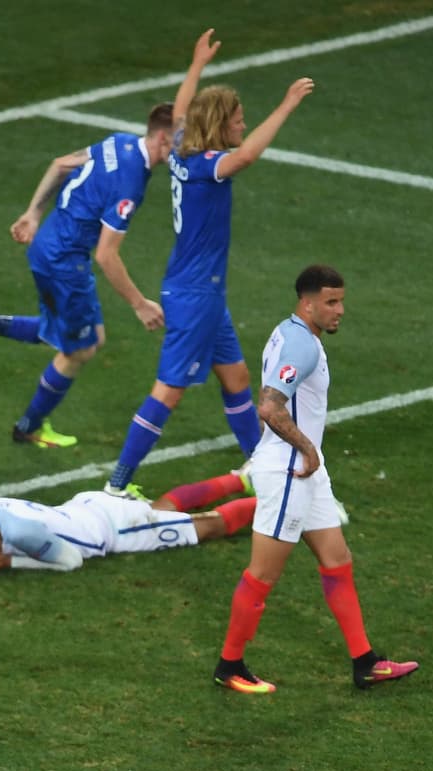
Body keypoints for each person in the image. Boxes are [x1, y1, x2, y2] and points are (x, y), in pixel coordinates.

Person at [104, 29, 315, 497]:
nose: (243, 124)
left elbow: (181, 108)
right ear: (220, 126)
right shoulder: (207, 165)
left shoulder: (182, 145)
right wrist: (286, 105)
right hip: (195, 295)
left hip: (202, 290)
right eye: (238, 119)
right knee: (168, 390)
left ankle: (260, 467)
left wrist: (197, 64)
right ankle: (117, 484)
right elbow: (248, 155)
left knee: (237, 378)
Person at [213, 265, 418, 694]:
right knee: (262, 574)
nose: (339, 310)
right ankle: (229, 666)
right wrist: (307, 449)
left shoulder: (290, 332)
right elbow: (269, 407)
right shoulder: (301, 346)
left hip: (307, 471)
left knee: (337, 559)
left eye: (341, 301)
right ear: (307, 304)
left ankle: (365, 663)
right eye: (331, 302)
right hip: (290, 471)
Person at [0, 102, 175, 449]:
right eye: (180, 141)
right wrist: (139, 304)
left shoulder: (119, 142)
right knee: (79, 351)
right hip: (64, 263)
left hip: (52, 247)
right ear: (162, 138)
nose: (185, 150)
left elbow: (61, 164)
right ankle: (29, 427)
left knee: (91, 337)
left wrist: (33, 213)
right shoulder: (131, 182)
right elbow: (106, 254)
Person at [0, 469, 256, 573]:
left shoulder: (23, 534)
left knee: (202, 528)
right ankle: (241, 479)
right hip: (86, 504)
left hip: (118, 528)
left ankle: (275, 503)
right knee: (160, 508)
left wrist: (12, 562)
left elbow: (72, 561)